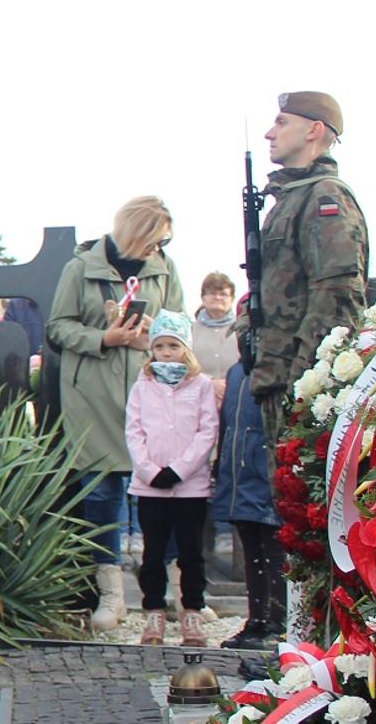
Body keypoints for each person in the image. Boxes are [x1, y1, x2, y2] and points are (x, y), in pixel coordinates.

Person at [45, 196, 184, 632]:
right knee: (102, 493)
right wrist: (105, 337)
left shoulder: (165, 269)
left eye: (163, 241)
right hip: (94, 396)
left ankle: (170, 592)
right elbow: (58, 328)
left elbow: (180, 326)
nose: (158, 247)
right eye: (154, 238)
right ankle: (112, 596)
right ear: (134, 232)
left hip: (152, 395)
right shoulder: (79, 269)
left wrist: (155, 339)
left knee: (164, 492)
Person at [251, 92, 369, 435]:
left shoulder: (324, 198)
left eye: (282, 122)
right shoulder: (294, 197)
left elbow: (336, 304)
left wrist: (305, 385)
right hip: (280, 378)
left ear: (314, 130)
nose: (270, 134)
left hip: (302, 388)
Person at [123, 311, 218, 647]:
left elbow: (207, 431)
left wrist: (180, 469)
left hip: (189, 486)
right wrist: (149, 470)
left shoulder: (202, 385)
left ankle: (192, 609)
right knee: (153, 551)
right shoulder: (142, 386)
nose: (166, 352)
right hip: (150, 486)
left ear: (185, 348)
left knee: (191, 551)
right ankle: (154, 611)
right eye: (160, 346)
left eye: (173, 346)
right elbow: (134, 431)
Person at [213, 351, 283, 650]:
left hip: (265, 471)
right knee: (251, 549)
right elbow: (226, 423)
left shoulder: (276, 369)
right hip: (238, 470)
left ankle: (277, 622)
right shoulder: (235, 372)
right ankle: (256, 618)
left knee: (273, 552)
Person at [190, 272, 237, 385]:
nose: (217, 297)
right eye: (212, 293)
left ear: (232, 299)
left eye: (223, 294)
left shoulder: (242, 328)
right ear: (203, 298)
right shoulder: (190, 330)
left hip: (235, 392)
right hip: (199, 392)